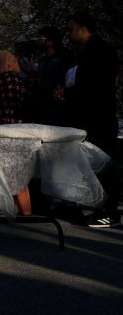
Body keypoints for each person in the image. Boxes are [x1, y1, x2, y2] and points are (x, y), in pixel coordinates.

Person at [58, 12, 120, 228]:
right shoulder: (82, 54)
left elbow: (97, 86)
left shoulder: (103, 51)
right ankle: (93, 205)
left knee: (103, 162)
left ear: (83, 29)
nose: (68, 34)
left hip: (98, 117)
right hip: (82, 116)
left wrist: (70, 94)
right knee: (87, 162)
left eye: (70, 29)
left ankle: (110, 211)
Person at [0, 50, 28, 124]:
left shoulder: (6, 79)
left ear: (3, 63)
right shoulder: (3, 77)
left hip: (7, 122)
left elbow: (6, 103)